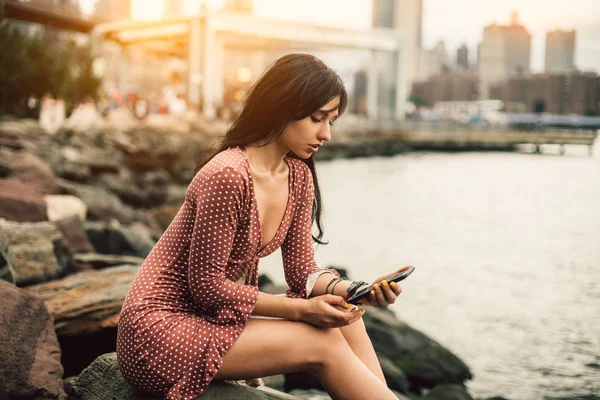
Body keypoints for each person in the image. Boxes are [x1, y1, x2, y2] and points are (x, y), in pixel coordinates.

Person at [116, 53, 407, 400]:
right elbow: (206, 287)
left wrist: (355, 290)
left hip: (208, 319)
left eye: (331, 121)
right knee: (323, 340)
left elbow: (302, 272)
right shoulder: (227, 175)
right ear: (282, 107)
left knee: (349, 316)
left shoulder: (297, 176)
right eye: (317, 118)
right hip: (160, 332)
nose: (326, 134)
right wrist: (301, 310)